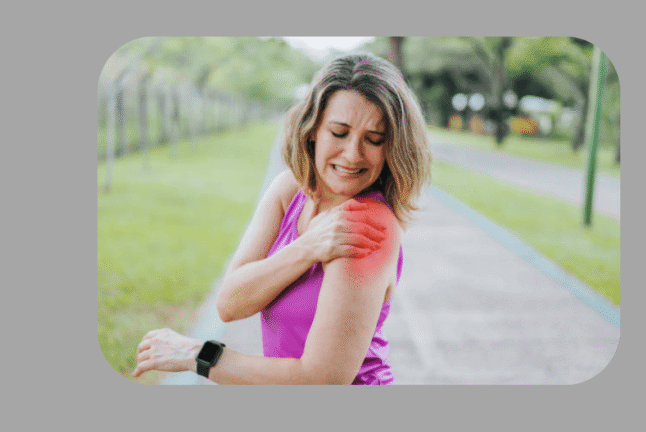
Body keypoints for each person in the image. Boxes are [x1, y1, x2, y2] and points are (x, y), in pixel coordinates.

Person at [132, 52, 432, 385]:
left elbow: (321, 380)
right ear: (313, 129)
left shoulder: (366, 225)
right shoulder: (291, 190)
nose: (353, 154)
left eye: (374, 140)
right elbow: (230, 302)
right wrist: (307, 248)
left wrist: (196, 355)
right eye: (339, 132)